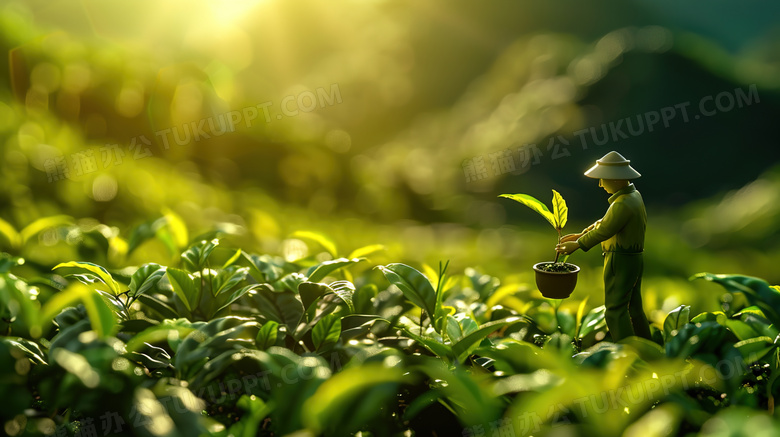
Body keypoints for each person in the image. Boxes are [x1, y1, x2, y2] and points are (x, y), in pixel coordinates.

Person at [555, 151, 651, 341]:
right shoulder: (633, 196)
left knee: (615, 310)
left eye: (603, 179)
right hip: (633, 258)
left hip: (620, 259)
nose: (600, 184)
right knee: (634, 307)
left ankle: (628, 355)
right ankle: (650, 347)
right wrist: (581, 234)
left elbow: (605, 230)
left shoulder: (622, 204)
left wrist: (578, 245)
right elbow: (606, 222)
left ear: (615, 180)